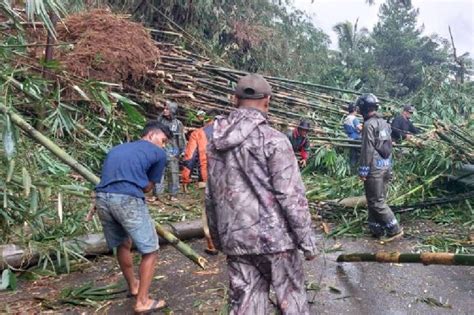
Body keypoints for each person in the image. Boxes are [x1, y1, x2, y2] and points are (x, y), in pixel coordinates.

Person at [206, 73, 317, 314]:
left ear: (234, 99)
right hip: (276, 241)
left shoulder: (214, 144)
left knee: (246, 306)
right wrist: (307, 241)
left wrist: (217, 237)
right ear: (267, 100)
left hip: (236, 239)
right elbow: (290, 196)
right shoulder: (275, 140)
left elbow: (212, 194)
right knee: (291, 302)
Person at [94, 121, 171, 313]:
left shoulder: (117, 149)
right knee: (151, 250)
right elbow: (147, 187)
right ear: (152, 135)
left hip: (101, 198)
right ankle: (142, 301)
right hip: (127, 199)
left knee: (123, 243)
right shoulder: (159, 153)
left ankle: (133, 286)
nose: (163, 145)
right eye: (163, 140)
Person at [357, 93, 403, 242]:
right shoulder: (384, 123)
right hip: (385, 166)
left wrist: (363, 170)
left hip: (374, 169)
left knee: (377, 202)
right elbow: (389, 145)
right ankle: (376, 228)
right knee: (374, 199)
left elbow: (367, 149)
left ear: (363, 109)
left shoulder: (369, 125)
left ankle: (394, 228)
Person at [181, 109, 219, 254]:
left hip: (207, 178)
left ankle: (211, 244)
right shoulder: (232, 132)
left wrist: (185, 177)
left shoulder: (198, 133)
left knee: (207, 211)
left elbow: (189, 157)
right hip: (230, 180)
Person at [154, 100, 186, 201]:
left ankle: (173, 194)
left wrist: (182, 150)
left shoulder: (178, 124)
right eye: (164, 108)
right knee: (159, 171)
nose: (165, 110)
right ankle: (157, 194)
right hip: (160, 149)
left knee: (173, 172)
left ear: (172, 110)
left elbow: (181, 138)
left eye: (167, 109)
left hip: (173, 150)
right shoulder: (160, 121)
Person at [343, 102, 363, 167]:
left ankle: (352, 166)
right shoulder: (354, 118)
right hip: (356, 138)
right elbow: (360, 129)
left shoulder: (346, 118)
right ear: (355, 110)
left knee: (353, 154)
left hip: (349, 138)